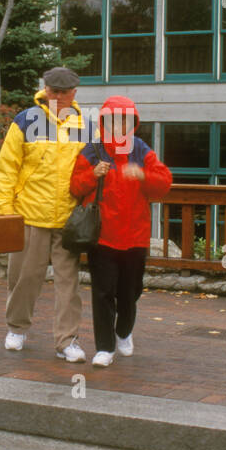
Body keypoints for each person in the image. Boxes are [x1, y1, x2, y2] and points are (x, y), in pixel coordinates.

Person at [0, 66, 94, 363]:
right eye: (53, 91)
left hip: (68, 218)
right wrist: (6, 211)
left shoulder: (86, 125)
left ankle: (67, 341)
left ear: (74, 92)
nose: (59, 97)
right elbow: (7, 167)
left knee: (68, 285)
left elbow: (90, 170)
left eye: (64, 92)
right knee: (23, 277)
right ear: (44, 89)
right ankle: (17, 327)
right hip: (29, 215)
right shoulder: (25, 121)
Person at [69, 96, 173, 367]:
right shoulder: (92, 150)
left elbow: (163, 183)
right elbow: (75, 187)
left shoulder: (140, 149)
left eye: (125, 119)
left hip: (135, 236)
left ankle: (124, 331)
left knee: (131, 291)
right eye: (114, 119)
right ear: (104, 121)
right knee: (102, 292)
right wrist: (93, 174)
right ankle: (105, 348)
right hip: (102, 236)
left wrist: (143, 175)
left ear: (132, 122)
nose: (119, 124)